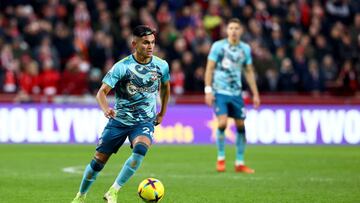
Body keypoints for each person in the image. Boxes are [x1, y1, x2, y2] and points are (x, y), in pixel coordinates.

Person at [71, 25, 171, 203]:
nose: (150, 46)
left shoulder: (161, 66)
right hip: (119, 121)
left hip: (144, 121)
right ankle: (81, 196)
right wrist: (106, 109)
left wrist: (162, 113)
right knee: (97, 163)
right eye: (146, 43)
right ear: (134, 44)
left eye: (153, 43)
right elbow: (101, 92)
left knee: (140, 150)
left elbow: (165, 89)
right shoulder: (122, 67)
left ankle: (113, 191)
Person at [204, 18, 260, 173]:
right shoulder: (218, 47)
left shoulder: (245, 49)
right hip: (220, 91)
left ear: (241, 30)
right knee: (222, 123)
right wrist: (208, 90)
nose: (234, 31)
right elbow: (209, 68)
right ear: (227, 30)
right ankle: (221, 158)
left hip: (236, 93)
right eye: (231, 28)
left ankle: (239, 162)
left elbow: (248, 71)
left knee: (241, 126)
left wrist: (255, 94)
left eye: (236, 28)